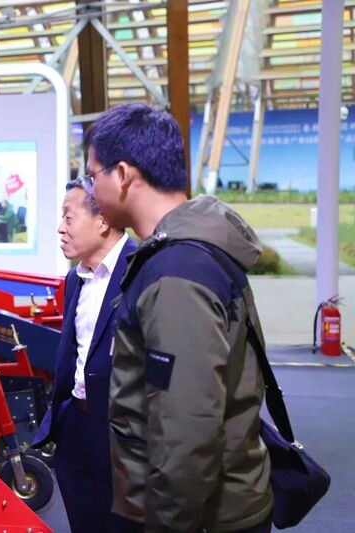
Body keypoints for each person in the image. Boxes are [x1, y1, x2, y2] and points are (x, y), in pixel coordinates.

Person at [86, 103, 273, 532]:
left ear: (123, 174)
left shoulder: (176, 274)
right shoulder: (186, 252)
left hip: (200, 516)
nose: (91, 189)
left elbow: (187, 430)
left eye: (93, 175)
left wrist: (167, 524)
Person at [32, 179, 136, 532]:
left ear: (102, 220)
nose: (60, 228)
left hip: (125, 435)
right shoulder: (74, 280)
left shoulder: (142, 271)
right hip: (77, 424)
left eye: (68, 216)